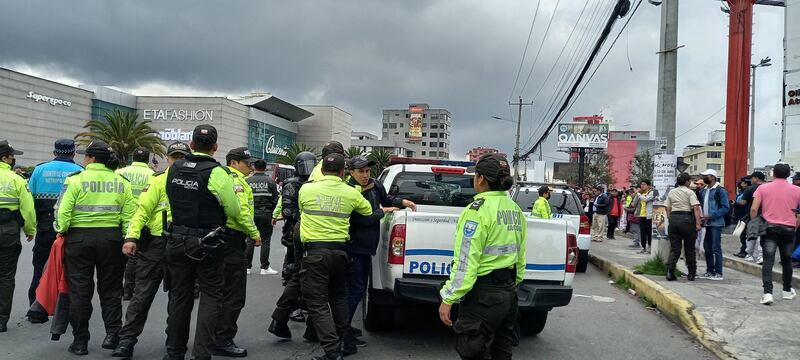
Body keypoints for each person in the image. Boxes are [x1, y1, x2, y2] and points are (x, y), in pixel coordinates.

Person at [163, 125, 241, 360]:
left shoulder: (173, 168)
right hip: (207, 243)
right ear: (215, 147)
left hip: (176, 240)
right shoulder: (217, 172)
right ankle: (202, 354)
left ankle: (174, 352)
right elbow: (234, 209)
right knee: (211, 296)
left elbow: (170, 198)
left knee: (179, 297)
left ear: (191, 143)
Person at [438, 153, 525, 360]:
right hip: (509, 295)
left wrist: (449, 297)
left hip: (483, 297)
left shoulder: (476, 211)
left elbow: (466, 262)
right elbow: (520, 255)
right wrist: (514, 283)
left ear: (481, 179)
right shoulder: (515, 210)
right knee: (502, 353)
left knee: (473, 352)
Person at [55, 141, 135, 355]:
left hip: (79, 240)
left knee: (80, 291)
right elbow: (129, 215)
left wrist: (60, 229)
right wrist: (128, 238)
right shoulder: (121, 182)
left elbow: (63, 212)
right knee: (111, 289)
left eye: (85, 156)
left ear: (91, 158)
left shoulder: (75, 180)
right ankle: (112, 335)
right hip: (111, 239)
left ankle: (80, 342)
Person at [113, 142, 190, 359]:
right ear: (168, 159)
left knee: (179, 299)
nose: (177, 161)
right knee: (142, 294)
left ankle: (174, 348)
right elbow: (141, 210)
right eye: (174, 157)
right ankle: (126, 341)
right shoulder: (158, 180)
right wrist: (131, 237)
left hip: (182, 244)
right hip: (156, 243)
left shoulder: (196, 181)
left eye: (182, 157)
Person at [299, 153, 372, 360]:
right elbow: (367, 211)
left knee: (318, 302)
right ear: (343, 172)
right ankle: (345, 340)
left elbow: (302, 209)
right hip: (340, 253)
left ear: (322, 171)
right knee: (339, 297)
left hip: (314, 254)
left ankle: (332, 350)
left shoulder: (306, 189)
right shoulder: (351, 193)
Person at [343, 155, 416, 350]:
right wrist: (382, 212)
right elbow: (361, 220)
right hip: (353, 247)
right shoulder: (349, 191)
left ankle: (345, 327)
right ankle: (342, 332)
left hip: (367, 248)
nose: (366, 175)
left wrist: (403, 202)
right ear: (351, 172)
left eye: (368, 171)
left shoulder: (375, 185)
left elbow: (387, 199)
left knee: (358, 289)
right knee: (354, 290)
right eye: (361, 171)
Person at [25, 139, 82, 323]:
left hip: (44, 226)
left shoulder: (40, 170)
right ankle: (65, 311)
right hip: (70, 230)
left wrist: (31, 227)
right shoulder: (80, 172)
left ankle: (36, 308)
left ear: (54, 152)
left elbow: (30, 200)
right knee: (70, 271)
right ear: (73, 153)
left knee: (40, 266)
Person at [212, 147, 262, 358]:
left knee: (218, 292)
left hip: (220, 239)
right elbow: (240, 212)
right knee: (233, 294)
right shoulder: (236, 182)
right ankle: (223, 339)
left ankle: (214, 336)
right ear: (233, 162)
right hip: (232, 240)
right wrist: (255, 233)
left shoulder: (223, 178)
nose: (249, 166)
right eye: (245, 162)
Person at [269, 151, 317, 340]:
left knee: (301, 275)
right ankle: (293, 308)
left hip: (310, 235)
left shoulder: (314, 183)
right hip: (295, 235)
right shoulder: (292, 184)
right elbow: (288, 211)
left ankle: (297, 308)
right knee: (294, 272)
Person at [750, 163, 800, 305]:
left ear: (774, 174)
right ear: (788, 174)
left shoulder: (763, 188)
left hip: (769, 228)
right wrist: (795, 224)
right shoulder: (797, 190)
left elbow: (754, 209)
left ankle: (767, 293)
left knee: (768, 261)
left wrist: (755, 224)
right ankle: (786, 290)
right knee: (787, 260)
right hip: (789, 229)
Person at [0, 140, 36, 333]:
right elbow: (28, 209)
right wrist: (30, 230)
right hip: (8, 231)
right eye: (12, 156)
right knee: (6, 276)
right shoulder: (17, 180)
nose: (14, 159)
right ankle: (1, 320)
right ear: (5, 158)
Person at [116, 147, 155, 300]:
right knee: (136, 256)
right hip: (143, 219)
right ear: (147, 159)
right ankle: (131, 289)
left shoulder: (119, 173)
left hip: (122, 218)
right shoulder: (153, 175)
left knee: (120, 258)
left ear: (133, 158)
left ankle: (121, 288)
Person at [664, 173, 702, 281]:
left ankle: (670, 272)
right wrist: (698, 223)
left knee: (675, 248)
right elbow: (696, 208)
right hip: (687, 220)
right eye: (689, 181)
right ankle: (691, 273)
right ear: (686, 182)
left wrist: (670, 218)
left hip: (674, 219)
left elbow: (667, 207)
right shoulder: (690, 192)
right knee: (689, 248)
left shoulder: (671, 192)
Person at [245, 159, 280, 276]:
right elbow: (276, 199)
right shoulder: (270, 181)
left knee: (250, 240)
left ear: (254, 167)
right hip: (266, 214)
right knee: (265, 240)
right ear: (265, 168)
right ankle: (264, 267)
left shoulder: (247, 181)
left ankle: (247, 267)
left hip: (251, 214)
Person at [698, 169, 729, 281]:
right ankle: (710, 270)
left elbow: (725, 207)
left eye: (706, 176)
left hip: (716, 223)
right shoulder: (704, 190)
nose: (704, 178)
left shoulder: (720, 190)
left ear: (712, 177)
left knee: (716, 247)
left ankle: (718, 272)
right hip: (706, 223)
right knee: (707, 248)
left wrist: (711, 215)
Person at [740, 172, 766, 264]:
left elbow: (742, 202)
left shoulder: (750, 189)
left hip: (753, 215)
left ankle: (749, 254)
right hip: (766, 216)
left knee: (751, 236)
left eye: (752, 178)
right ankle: (761, 256)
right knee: (762, 237)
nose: (751, 180)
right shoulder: (768, 188)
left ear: (756, 178)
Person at [732, 178, 752, 258]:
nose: (740, 184)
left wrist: (736, 203)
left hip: (743, 214)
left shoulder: (747, 191)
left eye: (742, 182)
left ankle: (744, 251)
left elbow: (742, 202)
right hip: (739, 214)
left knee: (743, 234)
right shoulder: (742, 191)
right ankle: (743, 250)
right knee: (742, 235)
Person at [637, 180, 655, 254]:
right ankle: (643, 247)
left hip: (649, 216)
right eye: (641, 184)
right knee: (642, 232)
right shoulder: (642, 193)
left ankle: (650, 248)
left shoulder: (652, 193)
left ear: (648, 185)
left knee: (649, 232)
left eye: (644, 184)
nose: (642, 186)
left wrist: (638, 193)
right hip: (642, 215)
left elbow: (645, 199)